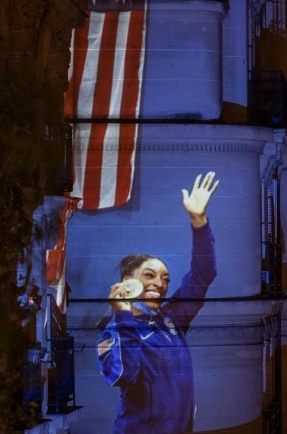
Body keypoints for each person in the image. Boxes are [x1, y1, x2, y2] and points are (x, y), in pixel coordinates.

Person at [97, 171, 219, 434]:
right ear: (127, 281)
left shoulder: (171, 317)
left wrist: (199, 221)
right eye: (149, 276)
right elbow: (124, 375)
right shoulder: (113, 331)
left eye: (165, 278)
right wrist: (123, 315)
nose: (159, 284)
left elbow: (203, 274)